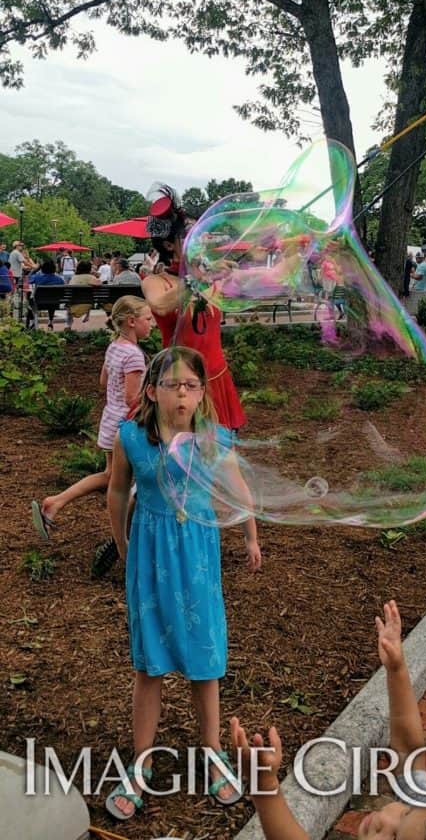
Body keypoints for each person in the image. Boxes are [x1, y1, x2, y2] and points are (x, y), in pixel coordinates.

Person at [105, 346, 261, 820]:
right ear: (151, 391)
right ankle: (141, 761)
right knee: (149, 663)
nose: (182, 393)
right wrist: (122, 543)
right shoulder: (131, 437)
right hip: (150, 552)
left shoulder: (212, 439)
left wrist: (251, 537)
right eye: (172, 384)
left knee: (204, 656)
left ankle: (212, 753)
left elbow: (238, 487)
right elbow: (116, 491)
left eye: (191, 385)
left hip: (196, 553)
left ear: (201, 393)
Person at [230, 600, 426, 840]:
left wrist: (265, 787)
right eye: (404, 813)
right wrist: (397, 669)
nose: (386, 820)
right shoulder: (424, 825)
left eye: (394, 838)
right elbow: (409, 749)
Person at [31, 296, 154, 541]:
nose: (152, 324)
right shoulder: (134, 356)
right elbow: (133, 399)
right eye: (148, 319)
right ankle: (128, 536)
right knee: (136, 480)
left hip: (110, 419)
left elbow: (103, 382)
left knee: (111, 476)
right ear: (131, 321)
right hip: (126, 426)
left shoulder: (115, 346)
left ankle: (55, 502)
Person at [142, 184, 246, 430]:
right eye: (189, 236)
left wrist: (293, 252)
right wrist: (195, 279)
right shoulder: (155, 282)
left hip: (217, 378)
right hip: (180, 382)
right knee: (183, 452)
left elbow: (268, 277)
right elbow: (160, 305)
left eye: (199, 235)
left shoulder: (210, 277)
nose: (198, 240)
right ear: (169, 245)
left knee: (221, 456)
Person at [26, 259, 64, 330]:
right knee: (51, 299)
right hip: (54, 303)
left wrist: (36, 269)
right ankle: (50, 321)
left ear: (42, 269)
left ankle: (32, 322)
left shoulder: (37, 277)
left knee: (30, 299)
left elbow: (29, 279)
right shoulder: (60, 279)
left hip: (39, 304)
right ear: (54, 269)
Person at [67, 259, 102, 327]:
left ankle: (68, 325)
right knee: (89, 294)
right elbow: (99, 283)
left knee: (69, 309)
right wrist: (93, 273)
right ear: (89, 268)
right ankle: (87, 315)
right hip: (88, 303)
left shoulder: (74, 278)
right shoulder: (91, 277)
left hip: (74, 303)